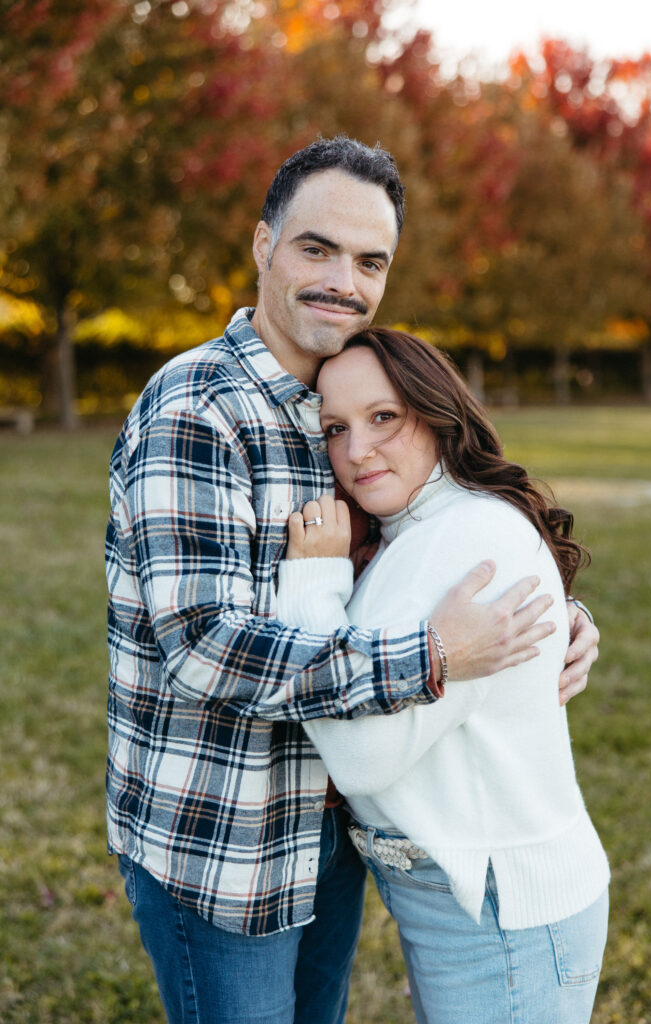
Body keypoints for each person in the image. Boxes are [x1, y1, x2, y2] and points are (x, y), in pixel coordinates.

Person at [106, 135, 600, 1024]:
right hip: (226, 842)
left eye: (369, 260)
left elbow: (430, 541)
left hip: (327, 837)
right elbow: (206, 648)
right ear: (263, 246)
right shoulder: (197, 408)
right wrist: (437, 654)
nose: (344, 277)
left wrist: (547, 614)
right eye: (315, 248)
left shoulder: (338, 401)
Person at [276, 327, 609, 1024]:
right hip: (478, 902)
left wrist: (310, 584)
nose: (355, 450)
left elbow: (361, 756)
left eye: (383, 417)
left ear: (435, 412)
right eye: (334, 428)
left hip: (500, 916)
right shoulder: (431, 527)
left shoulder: (459, 539)